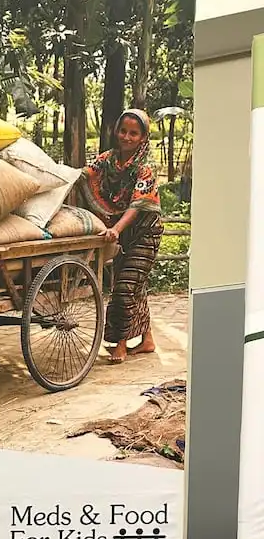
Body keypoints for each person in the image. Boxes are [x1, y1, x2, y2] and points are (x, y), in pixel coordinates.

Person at [80, 109, 163, 364]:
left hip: (144, 233)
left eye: (133, 133)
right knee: (135, 287)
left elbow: (137, 206)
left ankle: (120, 344)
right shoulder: (107, 160)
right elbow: (85, 175)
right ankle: (147, 340)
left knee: (125, 288)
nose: (126, 137)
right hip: (121, 233)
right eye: (123, 131)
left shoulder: (145, 170)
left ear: (143, 138)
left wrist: (115, 228)